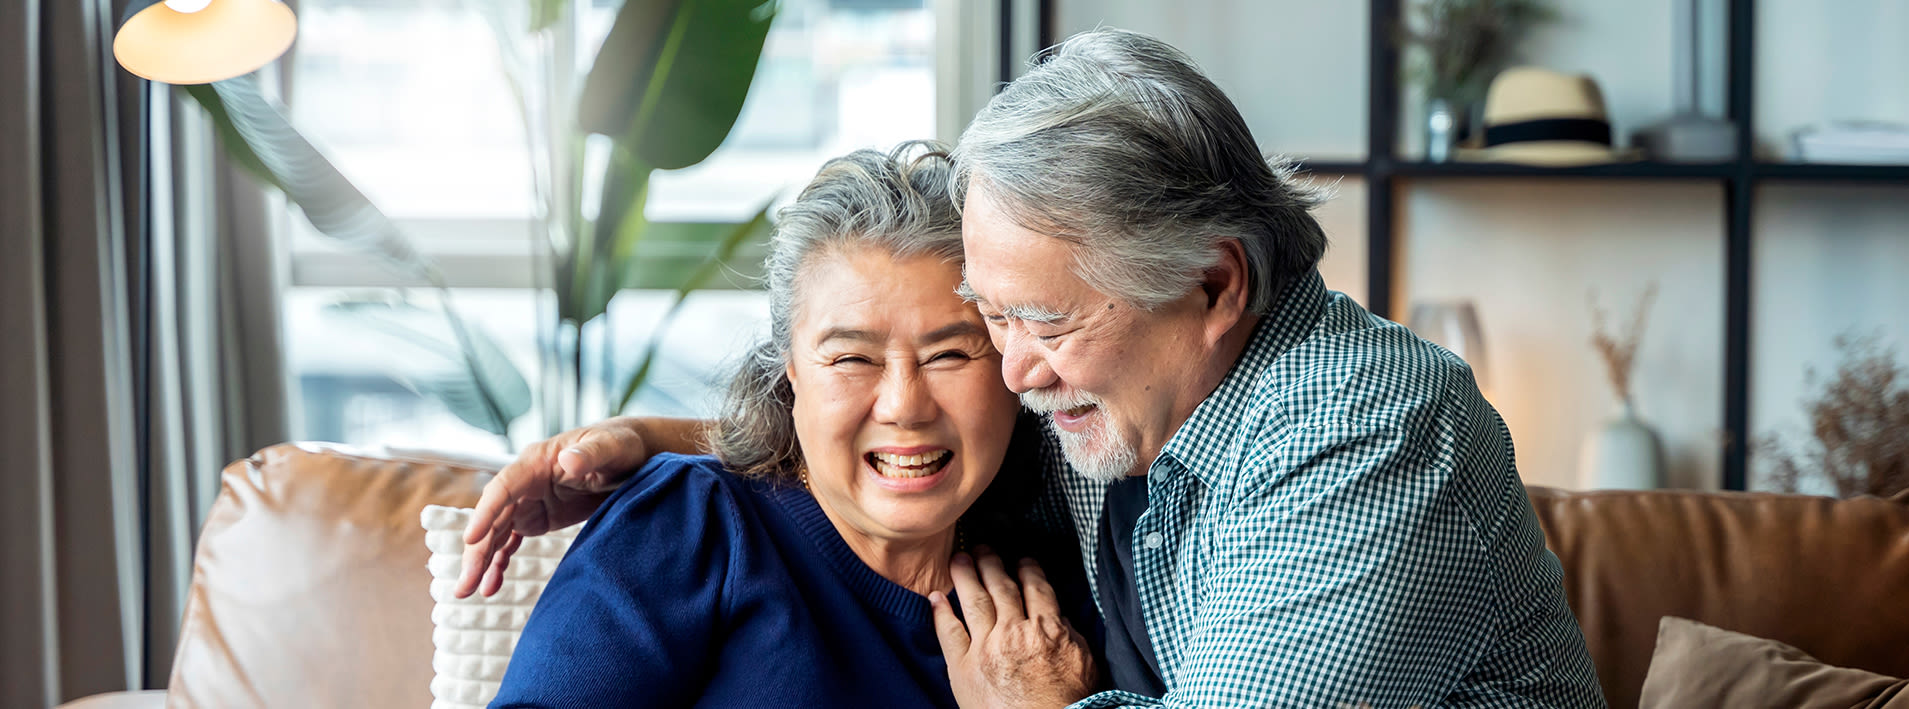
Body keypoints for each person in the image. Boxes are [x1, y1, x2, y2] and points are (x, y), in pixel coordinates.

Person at [465, 29, 1606, 709]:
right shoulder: (1122, 410)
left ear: (1212, 287)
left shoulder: (1367, 432)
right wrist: (659, 442)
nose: (1007, 372)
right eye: (990, 321)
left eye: (1032, 323)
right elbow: (887, 433)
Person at [486, 142, 1097, 708]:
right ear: (790, 373)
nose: (905, 407)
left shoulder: (1056, 612)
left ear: (1013, 370)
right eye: (852, 359)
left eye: (950, 355)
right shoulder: (693, 525)